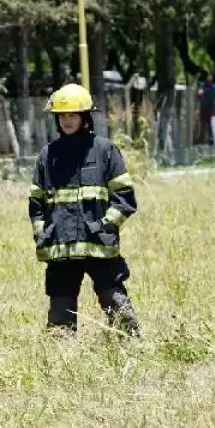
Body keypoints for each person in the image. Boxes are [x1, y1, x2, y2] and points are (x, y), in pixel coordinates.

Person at [29, 84, 140, 338]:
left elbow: (125, 197)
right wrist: (42, 233)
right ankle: (61, 357)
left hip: (98, 244)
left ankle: (131, 342)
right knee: (60, 306)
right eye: (62, 115)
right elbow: (36, 202)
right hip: (61, 246)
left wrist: (106, 226)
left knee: (114, 296)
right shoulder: (48, 155)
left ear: (85, 117)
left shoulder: (104, 150)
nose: (67, 121)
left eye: (73, 115)